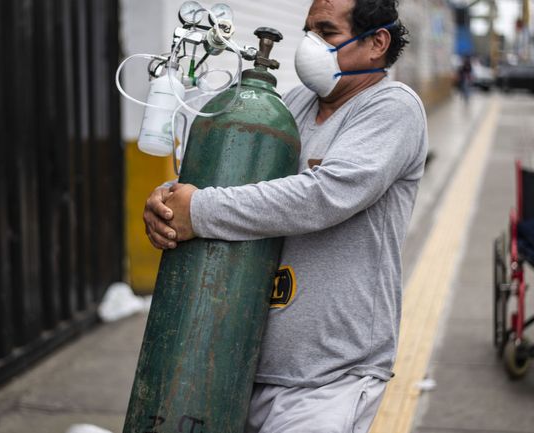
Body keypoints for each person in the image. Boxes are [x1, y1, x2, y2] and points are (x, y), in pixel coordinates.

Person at [143, 0, 427, 431]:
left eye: (327, 33)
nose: (309, 44)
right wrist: (168, 205)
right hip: (238, 364)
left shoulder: (393, 107)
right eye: (308, 31)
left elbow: (324, 195)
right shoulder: (291, 104)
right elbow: (237, 190)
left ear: (376, 42)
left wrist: (198, 211)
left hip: (328, 379)